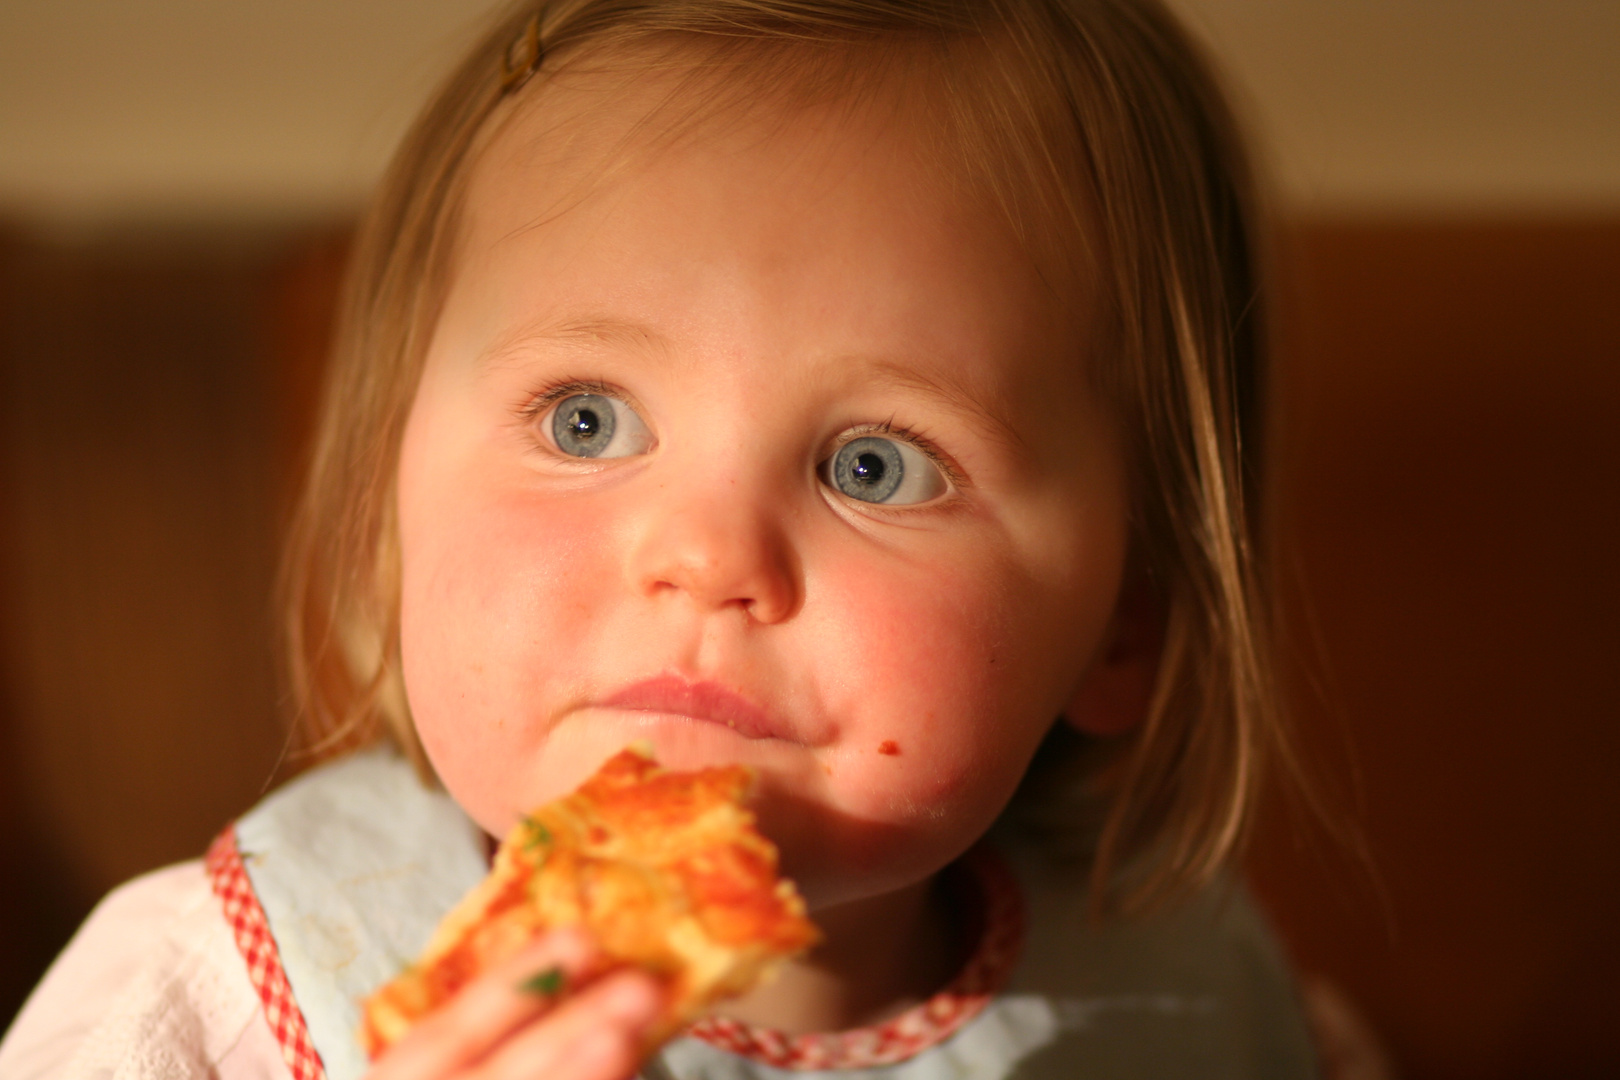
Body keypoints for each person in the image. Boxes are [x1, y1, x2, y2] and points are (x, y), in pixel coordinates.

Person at [0, 1, 1324, 1077]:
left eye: (878, 464)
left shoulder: (1187, 990)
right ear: (378, 514)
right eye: (585, 422)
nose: (706, 554)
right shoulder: (217, 994)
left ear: (1128, 619)